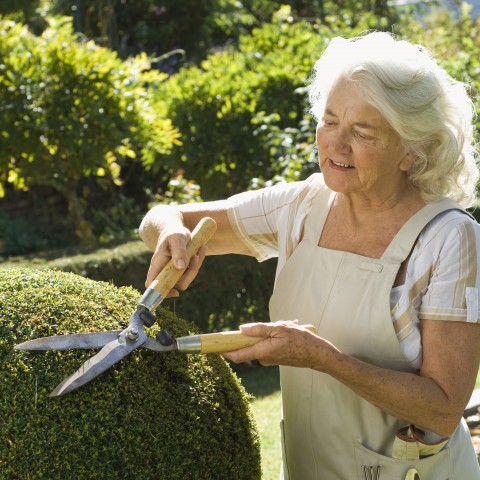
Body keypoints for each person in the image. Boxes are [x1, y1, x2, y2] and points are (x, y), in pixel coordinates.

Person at [139, 31, 480, 479]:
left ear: (411, 151)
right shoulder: (301, 205)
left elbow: (443, 408)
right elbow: (163, 215)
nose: (336, 145)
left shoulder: (450, 237)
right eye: (330, 120)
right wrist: (171, 232)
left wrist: (324, 358)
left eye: (362, 132)